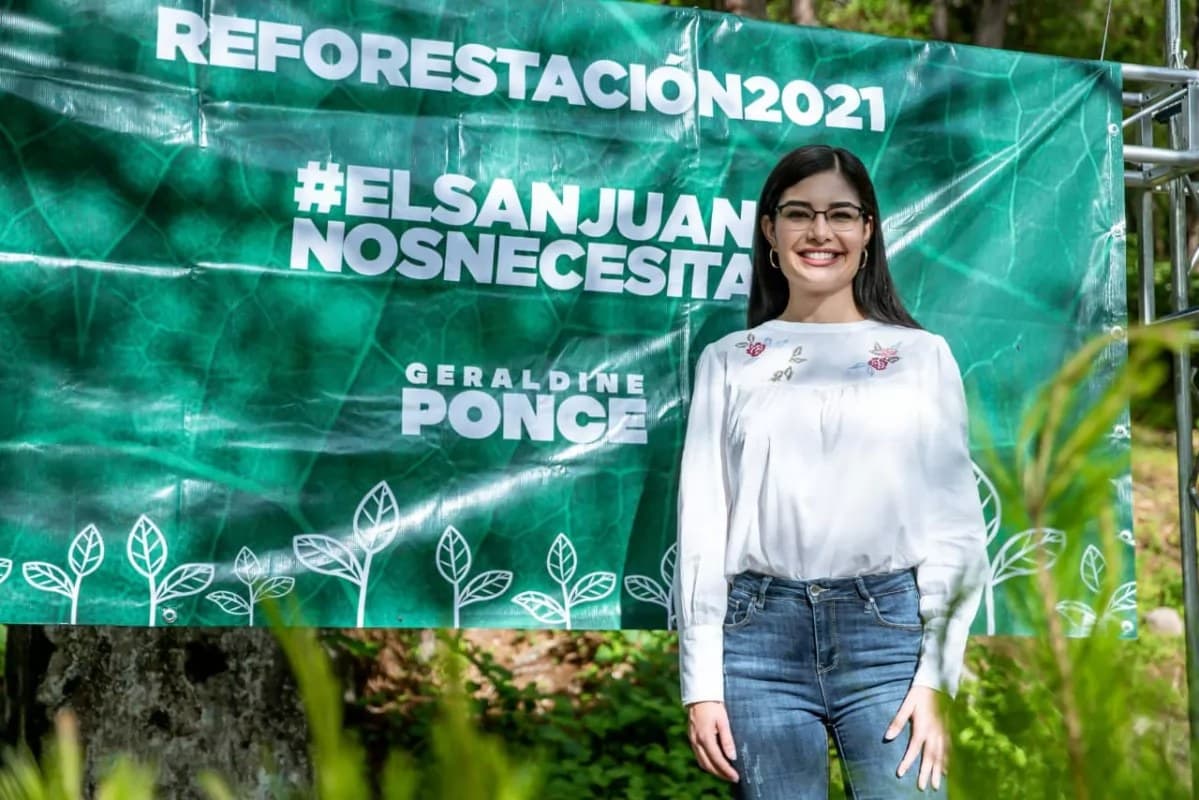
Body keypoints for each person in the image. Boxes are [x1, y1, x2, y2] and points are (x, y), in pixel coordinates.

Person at [674, 144, 990, 799]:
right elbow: (702, 525)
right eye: (799, 214)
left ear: (868, 231)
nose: (820, 232)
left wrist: (936, 676)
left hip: (889, 641)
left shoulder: (920, 357)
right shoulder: (728, 360)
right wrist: (700, 685)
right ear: (769, 230)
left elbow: (955, 527)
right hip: (757, 645)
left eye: (840, 215)